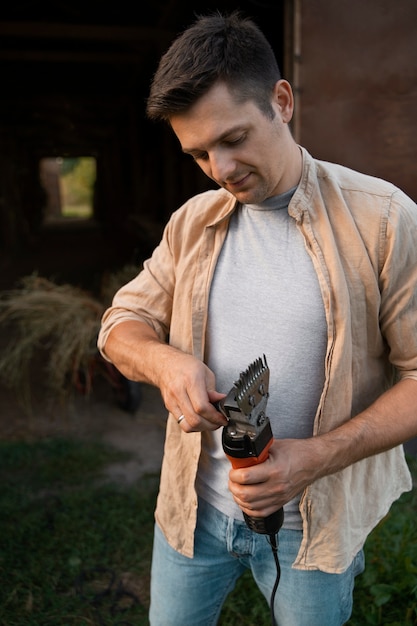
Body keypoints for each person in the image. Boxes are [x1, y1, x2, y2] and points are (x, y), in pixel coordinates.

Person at [97, 11, 417, 626]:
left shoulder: (383, 221)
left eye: (234, 138)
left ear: (282, 100)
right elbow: (120, 324)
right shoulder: (193, 222)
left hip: (313, 533)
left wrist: (314, 457)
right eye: (199, 154)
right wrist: (166, 363)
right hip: (192, 515)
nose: (220, 169)